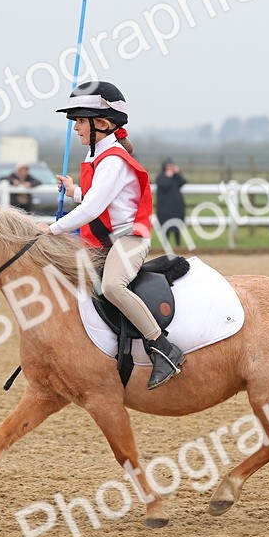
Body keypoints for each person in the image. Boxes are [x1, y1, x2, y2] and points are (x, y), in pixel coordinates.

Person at [47, 81, 183, 390]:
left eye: (81, 120)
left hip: (129, 241)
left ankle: (163, 347)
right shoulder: (102, 159)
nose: (76, 127)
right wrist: (74, 191)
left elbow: (94, 208)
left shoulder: (113, 161)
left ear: (103, 124)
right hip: (109, 241)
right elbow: (98, 199)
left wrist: (53, 228)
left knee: (111, 286)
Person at [155, 159, 187, 246]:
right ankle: (166, 246)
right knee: (166, 228)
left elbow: (183, 182)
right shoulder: (161, 177)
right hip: (165, 209)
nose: (170, 168)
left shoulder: (175, 177)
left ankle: (178, 246)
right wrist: (168, 176)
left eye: (171, 165)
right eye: (168, 166)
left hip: (176, 208)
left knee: (177, 228)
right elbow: (163, 185)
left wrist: (177, 173)